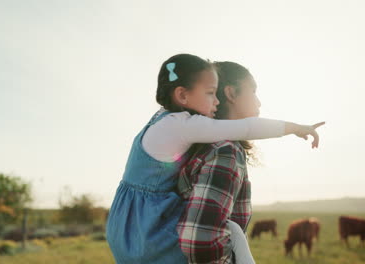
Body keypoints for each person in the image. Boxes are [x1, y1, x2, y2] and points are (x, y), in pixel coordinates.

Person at [106, 54, 324, 263]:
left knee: (234, 231)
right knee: (232, 231)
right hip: (147, 228)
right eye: (211, 93)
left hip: (125, 224)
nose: (216, 101)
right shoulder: (208, 140)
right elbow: (248, 128)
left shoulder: (163, 120)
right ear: (182, 95)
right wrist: (295, 128)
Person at [176, 61, 324, 263]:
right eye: (253, 91)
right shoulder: (225, 151)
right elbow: (200, 241)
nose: (259, 102)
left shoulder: (204, 145)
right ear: (231, 94)